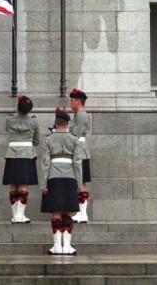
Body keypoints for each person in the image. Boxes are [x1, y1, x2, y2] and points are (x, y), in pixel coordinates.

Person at [40, 108, 84, 255]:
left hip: (53, 177)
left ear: (55, 123)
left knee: (56, 212)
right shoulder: (74, 139)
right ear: (67, 123)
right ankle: (67, 247)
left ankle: (57, 246)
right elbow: (77, 163)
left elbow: (45, 163)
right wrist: (79, 184)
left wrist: (43, 184)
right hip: (70, 177)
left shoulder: (48, 139)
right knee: (67, 212)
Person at [3, 95, 40, 224]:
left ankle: (15, 216)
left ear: (18, 107)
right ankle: (20, 215)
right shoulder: (34, 121)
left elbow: (7, 129)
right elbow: (36, 141)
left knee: (13, 184)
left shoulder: (9, 120)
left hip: (12, 154)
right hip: (27, 155)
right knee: (24, 185)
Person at [68, 88, 92, 223]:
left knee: (81, 181)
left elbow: (75, 135)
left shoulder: (81, 115)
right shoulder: (79, 115)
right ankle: (81, 213)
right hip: (79, 151)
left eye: (72, 100)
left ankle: (82, 214)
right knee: (80, 181)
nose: (70, 103)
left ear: (78, 101)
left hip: (80, 152)